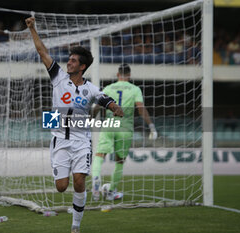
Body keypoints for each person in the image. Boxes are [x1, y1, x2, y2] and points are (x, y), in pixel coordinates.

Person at [25, 17, 123, 233]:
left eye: (73, 61)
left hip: (81, 142)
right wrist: (33, 29)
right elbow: (43, 53)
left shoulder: (91, 89)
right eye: (68, 59)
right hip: (59, 140)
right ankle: (67, 184)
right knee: (62, 187)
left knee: (79, 182)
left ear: (82, 66)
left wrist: (115, 107)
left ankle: (75, 227)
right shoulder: (58, 77)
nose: (68, 62)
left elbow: (106, 100)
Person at [91, 63, 157, 201]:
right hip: (125, 127)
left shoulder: (109, 88)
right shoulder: (135, 89)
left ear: (117, 75)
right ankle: (110, 192)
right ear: (129, 75)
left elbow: (97, 106)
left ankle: (95, 183)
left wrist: (90, 118)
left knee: (99, 155)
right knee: (119, 161)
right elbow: (140, 108)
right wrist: (151, 126)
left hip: (109, 124)